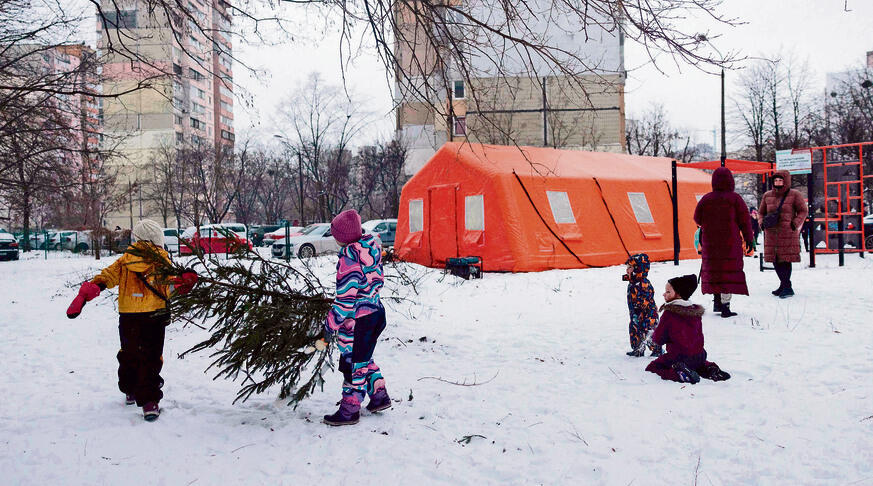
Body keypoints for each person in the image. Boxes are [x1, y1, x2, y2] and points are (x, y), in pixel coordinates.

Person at [66, 219, 197, 422]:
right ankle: (149, 402)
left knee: (129, 352)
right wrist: (183, 282)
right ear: (156, 238)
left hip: (129, 315)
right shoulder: (160, 260)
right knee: (151, 356)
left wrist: (88, 291)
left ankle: (130, 389)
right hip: (155, 314)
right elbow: (167, 288)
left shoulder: (125, 260)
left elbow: (106, 277)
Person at [316, 209, 391, 426]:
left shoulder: (349, 259)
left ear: (342, 237)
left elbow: (344, 302)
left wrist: (330, 325)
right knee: (363, 357)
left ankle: (350, 409)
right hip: (376, 312)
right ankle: (378, 396)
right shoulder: (371, 248)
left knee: (353, 363)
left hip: (359, 321)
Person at [645, 275, 731, 384]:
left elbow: (658, 339)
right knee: (697, 363)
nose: (664, 294)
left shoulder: (669, 314)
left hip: (679, 357)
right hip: (700, 355)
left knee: (654, 366)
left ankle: (680, 374)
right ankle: (709, 369)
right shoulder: (694, 312)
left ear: (679, 294)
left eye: (668, 292)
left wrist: (654, 335)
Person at [693, 167, 754, 318]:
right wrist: (749, 240)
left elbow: (697, 218)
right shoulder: (735, 199)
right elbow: (745, 221)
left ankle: (717, 302)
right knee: (728, 272)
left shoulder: (706, 199)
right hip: (730, 243)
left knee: (715, 271)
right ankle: (725, 306)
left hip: (710, 243)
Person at [758, 170, 808, 298]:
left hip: (787, 232)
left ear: (786, 181)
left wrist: (794, 224)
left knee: (785, 259)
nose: (778, 183)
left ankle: (787, 286)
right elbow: (761, 212)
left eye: (780, 180)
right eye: (776, 180)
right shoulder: (767, 195)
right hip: (771, 233)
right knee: (775, 259)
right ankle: (784, 284)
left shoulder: (795, 194)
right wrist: (762, 223)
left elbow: (803, 211)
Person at [623, 253, 662, 357]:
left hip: (647, 314)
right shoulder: (633, 282)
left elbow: (647, 297)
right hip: (635, 313)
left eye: (630, 267)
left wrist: (640, 307)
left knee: (649, 330)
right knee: (634, 329)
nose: (627, 270)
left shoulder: (643, 283)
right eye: (627, 267)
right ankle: (637, 349)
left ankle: (657, 349)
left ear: (637, 269)